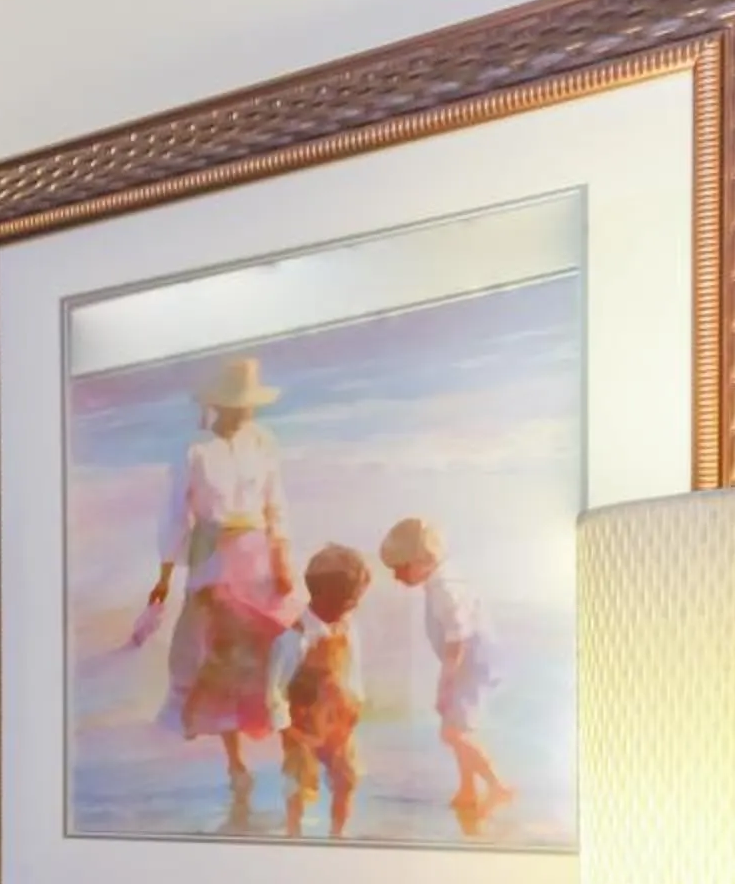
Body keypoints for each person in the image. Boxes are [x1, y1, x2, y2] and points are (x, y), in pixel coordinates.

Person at [131, 355, 302, 804]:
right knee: (219, 655)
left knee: (272, 644)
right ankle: (236, 763)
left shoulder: (265, 442)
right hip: (212, 557)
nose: (243, 412)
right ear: (217, 404)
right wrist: (164, 578)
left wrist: (283, 557)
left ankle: (287, 745)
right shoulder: (194, 448)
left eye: (247, 404)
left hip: (259, 555)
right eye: (234, 404)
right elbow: (175, 516)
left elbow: (276, 505)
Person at [379, 516, 512, 825]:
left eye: (401, 568)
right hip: (471, 660)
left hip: (472, 664)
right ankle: (467, 789)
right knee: (458, 726)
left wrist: (446, 684)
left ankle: (497, 786)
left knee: (453, 732)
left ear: (424, 560)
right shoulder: (443, 579)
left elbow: (458, 639)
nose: (397, 577)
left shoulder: (445, 588)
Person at [269, 544, 374, 838]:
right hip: (302, 725)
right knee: (298, 783)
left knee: (346, 779)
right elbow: (274, 691)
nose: (354, 605)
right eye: (350, 600)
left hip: (340, 721)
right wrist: (287, 730)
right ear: (324, 596)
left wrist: (356, 704)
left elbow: (353, 669)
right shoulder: (294, 639)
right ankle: (294, 835)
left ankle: (338, 836)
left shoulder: (347, 628)